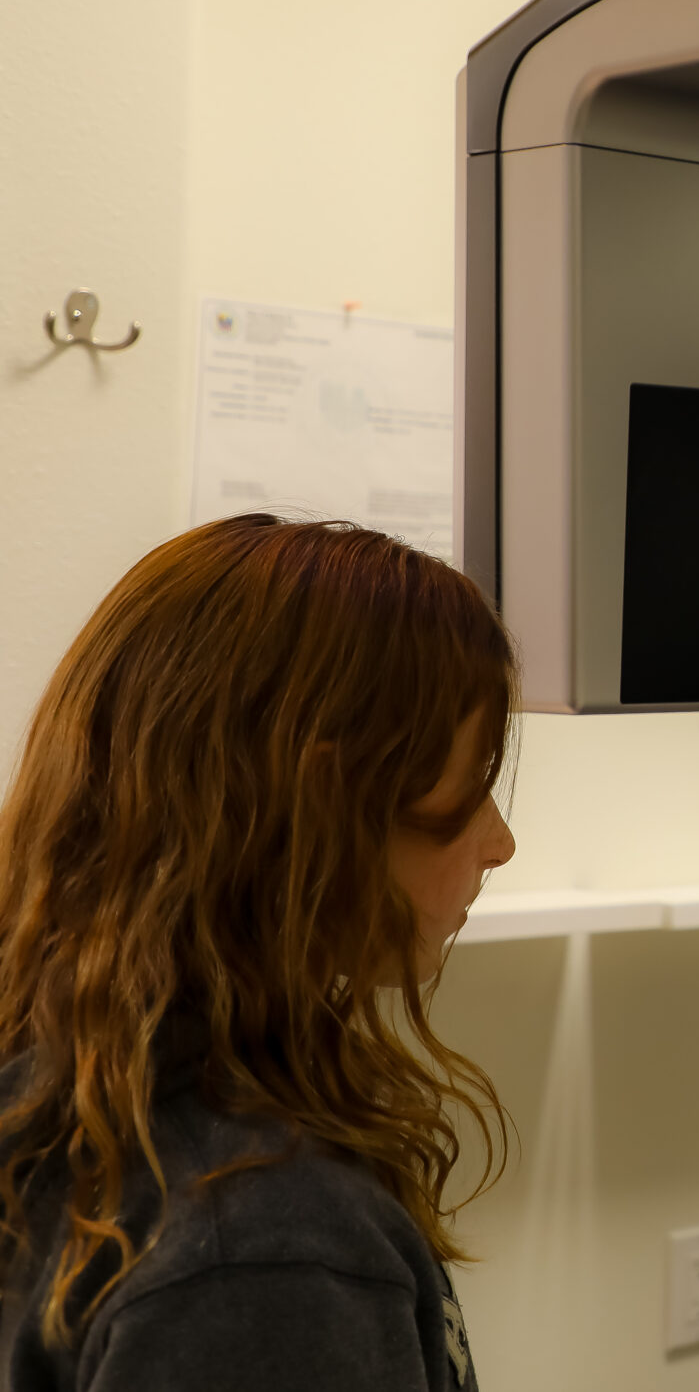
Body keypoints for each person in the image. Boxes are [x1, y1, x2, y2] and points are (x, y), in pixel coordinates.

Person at [0, 515, 518, 1391]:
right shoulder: (262, 1249)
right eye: (469, 790)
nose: (498, 842)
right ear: (322, 804)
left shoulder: (61, 1087)